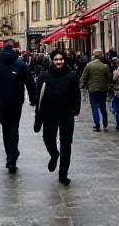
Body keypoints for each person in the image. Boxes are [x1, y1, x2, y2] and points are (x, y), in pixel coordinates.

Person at [0, 42, 36, 173]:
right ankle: (12, 158)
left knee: (5, 128)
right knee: (13, 128)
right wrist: (33, 99)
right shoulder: (20, 64)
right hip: (16, 101)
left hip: (1, 101)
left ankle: (9, 155)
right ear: (13, 50)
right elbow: (30, 82)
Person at [36, 49, 80, 186]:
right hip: (49, 113)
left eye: (61, 59)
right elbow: (39, 96)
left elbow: (76, 94)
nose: (59, 62)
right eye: (56, 59)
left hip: (66, 113)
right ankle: (54, 155)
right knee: (48, 138)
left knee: (66, 144)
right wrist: (38, 116)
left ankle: (63, 174)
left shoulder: (71, 75)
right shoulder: (45, 75)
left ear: (64, 60)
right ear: (52, 60)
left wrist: (75, 110)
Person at [80, 48, 113, 132]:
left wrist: (82, 86)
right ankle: (105, 120)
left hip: (92, 89)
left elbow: (84, 77)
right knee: (102, 106)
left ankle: (97, 124)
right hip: (103, 89)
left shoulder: (89, 65)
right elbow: (110, 78)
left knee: (94, 107)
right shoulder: (105, 66)